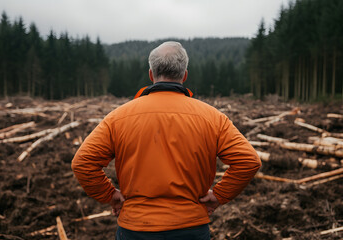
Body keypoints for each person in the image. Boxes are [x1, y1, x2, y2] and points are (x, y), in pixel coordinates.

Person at [72, 41, 261, 240]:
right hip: (190, 228)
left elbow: (82, 163)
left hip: (136, 228)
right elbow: (249, 161)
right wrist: (219, 195)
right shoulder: (212, 118)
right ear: (184, 75)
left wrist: (110, 195)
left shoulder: (119, 118)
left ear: (151, 75)